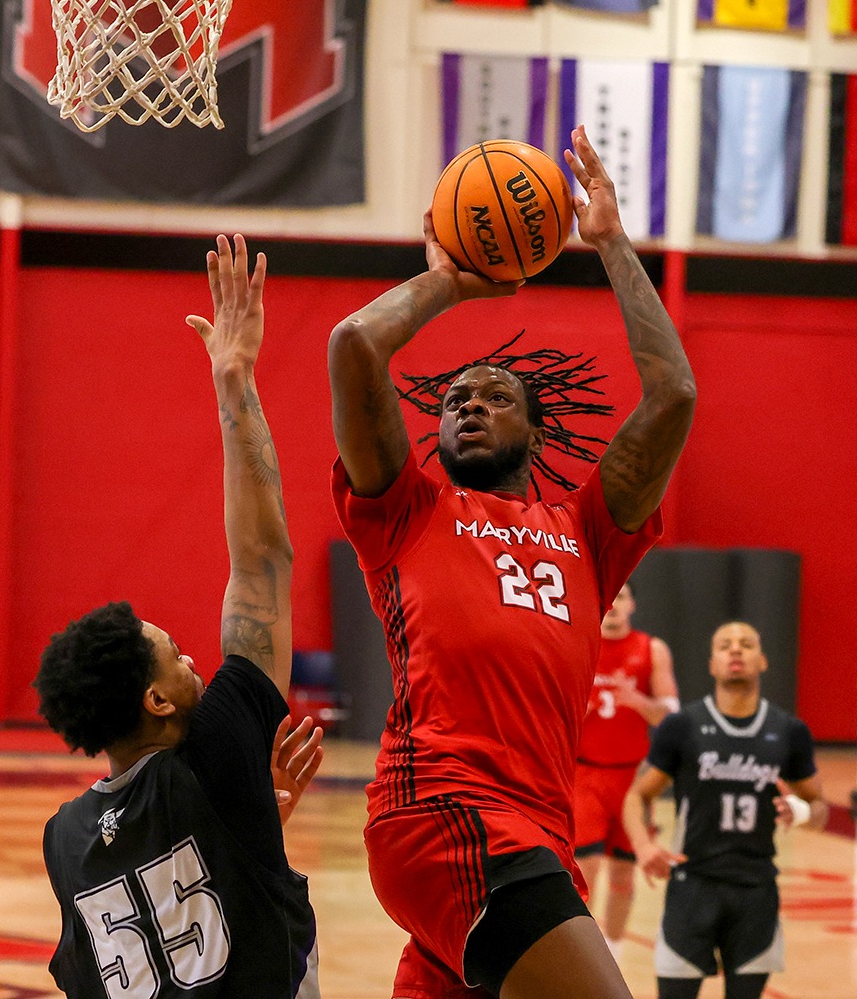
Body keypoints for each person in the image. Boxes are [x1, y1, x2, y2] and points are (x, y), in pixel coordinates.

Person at [329, 126, 693, 999]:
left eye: (496, 397)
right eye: (454, 399)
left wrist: (612, 243)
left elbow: (673, 393)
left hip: (536, 836)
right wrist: (452, 281)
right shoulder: (406, 512)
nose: (468, 406)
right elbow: (354, 345)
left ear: (536, 430)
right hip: (447, 815)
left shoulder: (588, 531)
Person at [36, 236, 324, 998]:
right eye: (176, 655)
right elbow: (262, 560)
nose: (196, 659)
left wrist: (251, 832)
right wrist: (235, 379)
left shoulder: (65, 836)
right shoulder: (216, 753)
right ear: (157, 701)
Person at [622, 622, 826, 999]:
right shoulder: (682, 726)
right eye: (725, 645)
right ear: (712, 664)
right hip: (692, 885)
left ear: (762, 661)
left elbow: (819, 806)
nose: (735, 650)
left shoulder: (788, 731)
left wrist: (800, 812)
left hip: (756, 891)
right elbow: (637, 795)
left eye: (746, 644)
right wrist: (643, 847)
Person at [575, 582, 678, 960]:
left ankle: (613, 957)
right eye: (610, 596)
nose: (615, 604)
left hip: (633, 780)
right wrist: (575, 711)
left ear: (632, 604)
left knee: (623, 875)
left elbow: (671, 717)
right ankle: (582, 960)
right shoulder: (578, 644)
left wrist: (638, 702)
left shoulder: (651, 649)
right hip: (584, 776)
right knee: (583, 875)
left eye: (622, 596)